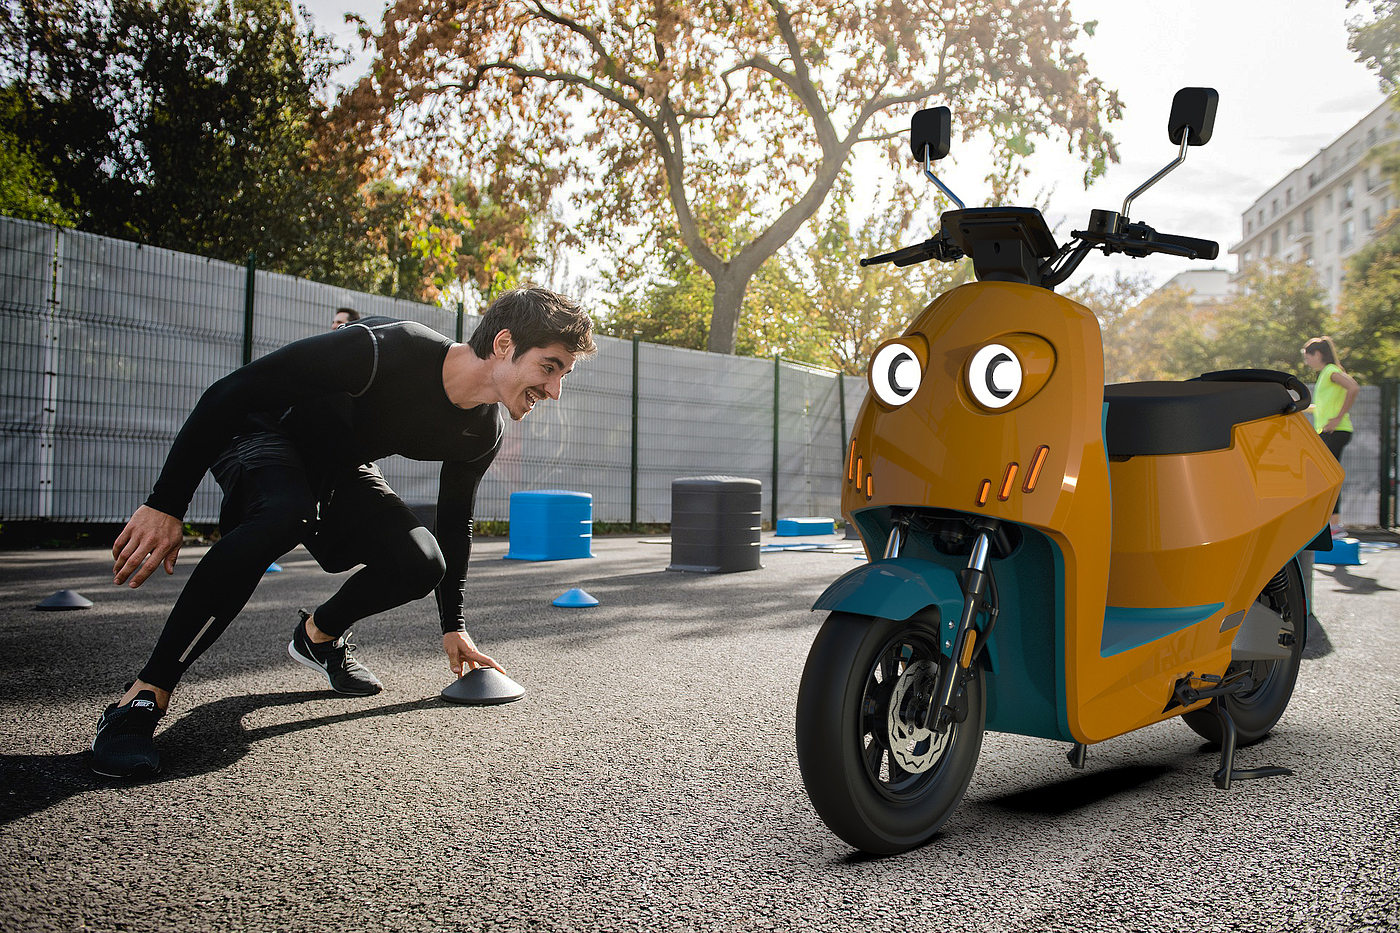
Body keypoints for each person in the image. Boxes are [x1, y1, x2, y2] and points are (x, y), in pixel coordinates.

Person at [92, 287, 596, 778]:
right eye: (549, 368)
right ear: (504, 344)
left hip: (337, 464)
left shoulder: (481, 432)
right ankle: (143, 696)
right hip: (264, 432)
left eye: (563, 375)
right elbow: (230, 392)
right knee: (281, 516)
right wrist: (166, 504)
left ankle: (317, 637)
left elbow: (454, 521)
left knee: (421, 562)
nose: (554, 390)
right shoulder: (383, 349)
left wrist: (453, 624)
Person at [1303, 335, 1360, 536]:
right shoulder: (1325, 375)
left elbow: (1353, 387)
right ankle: (1331, 523)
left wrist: (1337, 418)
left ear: (1317, 354)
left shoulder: (1331, 372)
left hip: (1335, 431)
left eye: (1307, 357)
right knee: (1324, 477)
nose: (1306, 362)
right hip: (1331, 431)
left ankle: (1334, 525)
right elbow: (1322, 408)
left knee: (1326, 477)